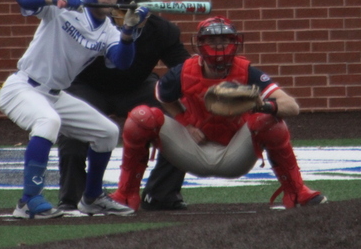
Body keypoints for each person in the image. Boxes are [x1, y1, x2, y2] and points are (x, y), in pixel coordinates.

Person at [109, 16, 328, 210]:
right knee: (141, 117)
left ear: (235, 42)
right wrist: (186, 123)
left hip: (235, 152)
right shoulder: (183, 71)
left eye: (224, 40)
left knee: (268, 120)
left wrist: (261, 106)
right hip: (193, 147)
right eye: (212, 41)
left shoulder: (247, 71)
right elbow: (163, 97)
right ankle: (126, 195)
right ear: (201, 44)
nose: (219, 46)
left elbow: (292, 106)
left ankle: (296, 192)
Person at [0, 0, 149, 219]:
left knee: (107, 133)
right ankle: (28, 201)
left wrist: (128, 33)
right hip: (22, 87)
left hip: (56, 95)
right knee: (48, 122)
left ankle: (91, 198)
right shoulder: (62, 10)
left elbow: (122, 62)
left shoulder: (110, 30)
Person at [57, 0, 191, 212]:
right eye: (125, 5)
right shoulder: (88, 23)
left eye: (138, 5)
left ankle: (161, 193)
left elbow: (187, 70)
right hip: (89, 84)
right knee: (71, 129)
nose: (131, 12)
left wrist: (211, 87)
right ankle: (74, 196)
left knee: (180, 121)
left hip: (137, 85)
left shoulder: (162, 30)